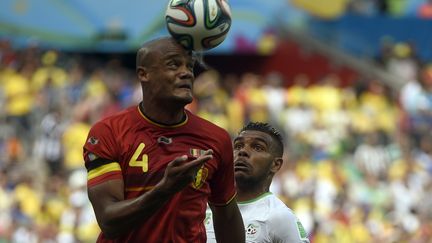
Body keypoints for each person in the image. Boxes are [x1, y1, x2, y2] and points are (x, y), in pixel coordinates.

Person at [83, 37, 245, 243]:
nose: (186, 72)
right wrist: (165, 189)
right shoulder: (109, 132)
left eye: (190, 66)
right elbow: (108, 221)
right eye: (173, 65)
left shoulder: (216, 138)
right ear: (144, 74)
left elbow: (227, 215)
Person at [206, 122, 310, 243]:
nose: (242, 152)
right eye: (238, 146)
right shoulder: (207, 207)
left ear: (275, 165)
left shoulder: (280, 217)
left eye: (258, 147)